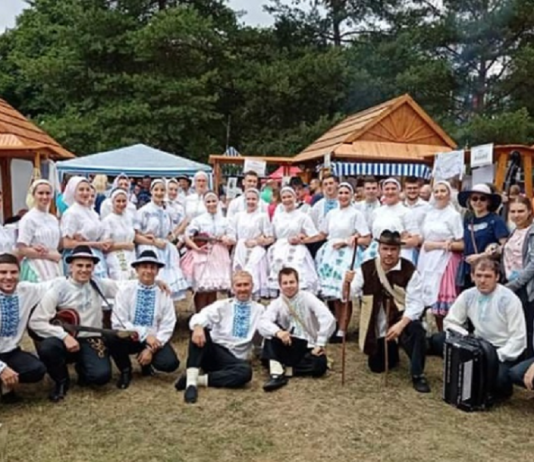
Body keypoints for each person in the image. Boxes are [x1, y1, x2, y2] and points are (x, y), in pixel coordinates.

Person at [29, 246, 125, 402]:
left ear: (93, 268)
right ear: (71, 266)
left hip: (90, 338)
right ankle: (61, 381)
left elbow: (126, 287)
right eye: (79, 265)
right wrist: (64, 336)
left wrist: (155, 283)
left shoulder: (98, 284)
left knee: (101, 377)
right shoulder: (59, 289)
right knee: (48, 347)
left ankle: (83, 368)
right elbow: (36, 321)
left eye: (88, 266)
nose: (84, 270)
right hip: (65, 339)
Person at [344, 230, 431, 393]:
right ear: (379, 249)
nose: (389, 253)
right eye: (385, 248)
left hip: (401, 318)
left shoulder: (409, 270)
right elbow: (348, 296)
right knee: (377, 366)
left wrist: (401, 325)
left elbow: (416, 304)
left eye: (393, 249)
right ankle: (392, 349)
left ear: (399, 250)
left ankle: (418, 374)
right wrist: (346, 283)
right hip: (377, 325)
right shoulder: (366, 268)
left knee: (416, 330)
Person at [430, 258, 526, 400]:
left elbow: (518, 338)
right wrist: (466, 340)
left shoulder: (509, 300)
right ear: (472, 276)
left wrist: (493, 356)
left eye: (487, 276)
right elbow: (450, 322)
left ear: (497, 277)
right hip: (477, 344)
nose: (482, 281)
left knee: (499, 381)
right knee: (438, 339)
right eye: (479, 275)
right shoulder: (468, 295)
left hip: (502, 350)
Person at [175, 271, 264, 403]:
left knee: (245, 372)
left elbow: (263, 333)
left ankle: (197, 380)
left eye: (246, 285)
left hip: (234, 359)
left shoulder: (259, 309)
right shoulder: (222, 305)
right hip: (214, 352)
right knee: (199, 329)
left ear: (252, 286)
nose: (243, 289)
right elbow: (202, 316)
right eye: (239, 285)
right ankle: (191, 386)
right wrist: (198, 327)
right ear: (233, 288)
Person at [109, 250, 180, 389]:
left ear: (157, 271)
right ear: (137, 269)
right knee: (113, 337)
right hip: (130, 336)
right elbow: (119, 321)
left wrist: (150, 349)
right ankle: (125, 371)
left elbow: (168, 323)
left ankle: (147, 364)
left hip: (154, 340)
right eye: (144, 267)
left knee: (170, 363)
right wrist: (145, 335)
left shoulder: (163, 293)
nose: (148, 271)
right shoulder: (126, 290)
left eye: (152, 267)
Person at [259, 267, 335, 391]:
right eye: (285, 283)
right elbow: (263, 321)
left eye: (292, 282)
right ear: (280, 285)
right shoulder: (277, 302)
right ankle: (276, 375)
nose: (289, 286)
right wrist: (278, 332)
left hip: (308, 344)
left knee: (320, 366)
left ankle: (285, 369)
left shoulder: (308, 298)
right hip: (288, 342)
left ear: (298, 282)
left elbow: (327, 318)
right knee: (270, 339)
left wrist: (320, 343)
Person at [315, 182, 371, 342]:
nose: (343, 196)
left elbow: (366, 238)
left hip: (346, 255)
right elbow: (322, 234)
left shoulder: (356, 214)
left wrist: (348, 241)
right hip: (330, 254)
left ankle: (342, 330)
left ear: (352, 195)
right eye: (341, 193)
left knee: (345, 291)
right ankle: (336, 325)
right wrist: (304, 239)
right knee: (334, 295)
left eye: (346, 193)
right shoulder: (331, 213)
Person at [0, 253, 48, 403]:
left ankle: (5, 385)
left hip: (10, 352)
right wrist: (1, 368)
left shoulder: (26, 290)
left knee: (36, 369)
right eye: (3, 272)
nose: (8, 277)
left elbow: (52, 285)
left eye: (13, 272)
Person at [417, 181, 464, 331]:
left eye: (443, 191)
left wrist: (438, 245)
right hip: (427, 258)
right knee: (429, 296)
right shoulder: (429, 214)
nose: (439, 194)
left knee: (443, 299)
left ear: (449, 194)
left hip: (445, 259)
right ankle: (435, 332)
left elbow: (461, 243)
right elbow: (422, 237)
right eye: (436, 191)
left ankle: (448, 333)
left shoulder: (453, 215)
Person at [134, 179, 189, 300]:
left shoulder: (167, 211)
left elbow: (184, 222)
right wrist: (153, 242)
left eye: (162, 190)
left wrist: (171, 237)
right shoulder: (144, 211)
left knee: (167, 289)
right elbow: (135, 236)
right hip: (149, 249)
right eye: (156, 190)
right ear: (151, 191)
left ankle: (166, 308)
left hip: (165, 249)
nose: (159, 193)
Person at [182, 192, 233, 311]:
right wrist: (196, 247)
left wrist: (225, 239)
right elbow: (187, 236)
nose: (211, 204)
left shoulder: (225, 221)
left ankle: (210, 316)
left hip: (219, 255)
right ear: (204, 204)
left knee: (212, 288)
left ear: (218, 202)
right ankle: (199, 316)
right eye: (208, 202)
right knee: (201, 288)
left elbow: (232, 237)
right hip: (202, 254)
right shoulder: (198, 220)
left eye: (213, 201)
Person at [267, 186, 319, 296]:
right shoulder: (277, 217)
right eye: (284, 197)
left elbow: (314, 236)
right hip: (279, 249)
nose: (287, 200)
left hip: (297, 249)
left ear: (295, 197)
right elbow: (272, 236)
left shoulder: (303, 216)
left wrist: (302, 239)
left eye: (289, 197)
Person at [457, 183, 509, 289]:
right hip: (468, 270)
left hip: (487, 270)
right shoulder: (467, 220)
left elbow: (506, 246)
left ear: (488, 201)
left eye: (482, 198)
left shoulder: (496, 220)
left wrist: (482, 256)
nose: (478, 202)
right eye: (474, 198)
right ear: (470, 201)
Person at [60, 176, 110, 279]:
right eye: (81, 190)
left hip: (96, 256)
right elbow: (67, 243)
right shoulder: (71, 213)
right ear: (73, 192)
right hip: (79, 257)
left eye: (87, 189)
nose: (85, 193)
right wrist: (95, 244)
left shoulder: (91, 212)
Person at [503, 196, 534, 358]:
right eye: (513, 211)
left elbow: (533, 264)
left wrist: (516, 284)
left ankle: (528, 363)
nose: (516, 215)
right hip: (512, 282)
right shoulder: (514, 230)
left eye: (520, 211)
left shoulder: (532, 232)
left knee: (527, 326)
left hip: (525, 287)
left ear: (529, 211)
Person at [229, 189, 274, 299]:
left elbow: (270, 237)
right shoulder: (238, 216)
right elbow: (232, 234)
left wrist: (257, 241)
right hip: (240, 250)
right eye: (248, 199)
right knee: (240, 277)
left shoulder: (262, 216)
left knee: (254, 277)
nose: (251, 201)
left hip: (256, 251)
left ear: (258, 200)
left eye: (253, 199)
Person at [365, 178, 420, 264]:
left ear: (399, 191)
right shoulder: (376, 212)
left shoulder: (406, 212)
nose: (390, 192)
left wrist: (395, 243)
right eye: (387, 189)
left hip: (398, 254)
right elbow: (369, 234)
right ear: (382, 191)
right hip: (375, 253)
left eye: (393, 189)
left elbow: (415, 240)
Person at [17, 180, 63, 282]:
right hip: (35, 265)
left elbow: (57, 244)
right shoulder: (28, 219)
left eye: (48, 193)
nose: (45, 197)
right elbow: (22, 249)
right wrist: (49, 255)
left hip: (54, 265)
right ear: (34, 195)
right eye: (41, 193)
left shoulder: (53, 219)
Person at [101, 188, 137, 280]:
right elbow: (104, 247)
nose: (121, 204)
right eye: (118, 201)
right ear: (112, 202)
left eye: (124, 201)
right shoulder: (108, 221)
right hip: (116, 256)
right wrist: (124, 245)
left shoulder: (129, 218)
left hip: (131, 255)